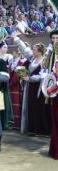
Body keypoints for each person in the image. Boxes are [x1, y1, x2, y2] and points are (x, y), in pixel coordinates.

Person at [14, 35, 50, 135]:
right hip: (29, 87)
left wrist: (30, 78)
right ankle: (31, 129)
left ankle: (40, 130)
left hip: (39, 88)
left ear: (39, 52)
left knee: (38, 108)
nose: (32, 51)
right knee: (30, 108)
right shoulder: (32, 58)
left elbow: (43, 76)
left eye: (34, 50)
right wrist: (17, 39)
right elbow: (25, 50)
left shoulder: (44, 61)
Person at [42, 29, 58, 159]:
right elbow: (44, 66)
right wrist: (47, 53)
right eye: (53, 38)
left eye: (57, 38)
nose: (55, 40)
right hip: (53, 88)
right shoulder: (51, 52)